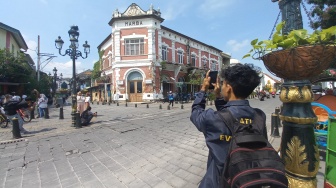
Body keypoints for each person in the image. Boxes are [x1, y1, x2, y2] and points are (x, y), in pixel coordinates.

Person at [190, 63, 266, 188]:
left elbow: (196, 113)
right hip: (249, 178)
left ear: (229, 88)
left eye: (224, 84)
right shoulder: (259, 116)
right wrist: (219, 97)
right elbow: (229, 118)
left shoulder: (212, 118)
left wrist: (203, 89)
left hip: (220, 180)